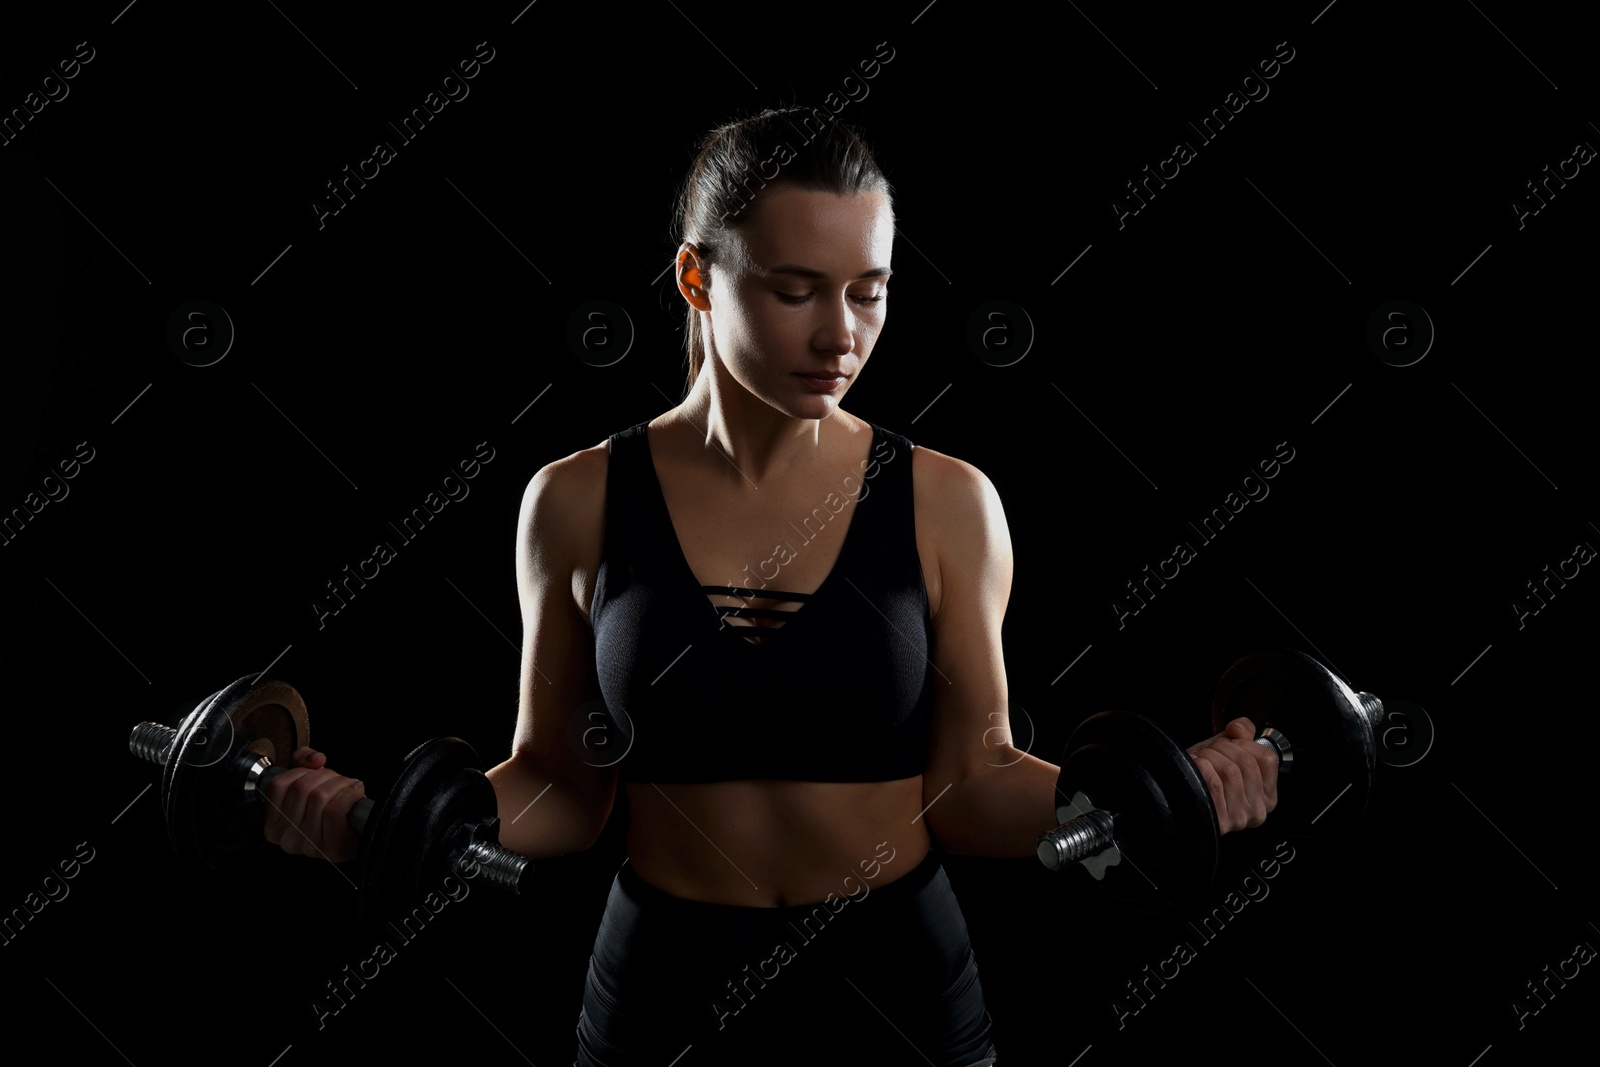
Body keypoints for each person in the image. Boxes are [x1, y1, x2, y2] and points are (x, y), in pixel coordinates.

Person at [262, 107, 1279, 1065]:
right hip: (660, 971)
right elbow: (561, 784)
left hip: (899, 970)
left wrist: (1162, 790)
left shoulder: (946, 500)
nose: (840, 333)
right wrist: (391, 818)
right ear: (696, 279)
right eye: (796, 289)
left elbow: (970, 783)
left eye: (868, 289)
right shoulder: (575, 499)